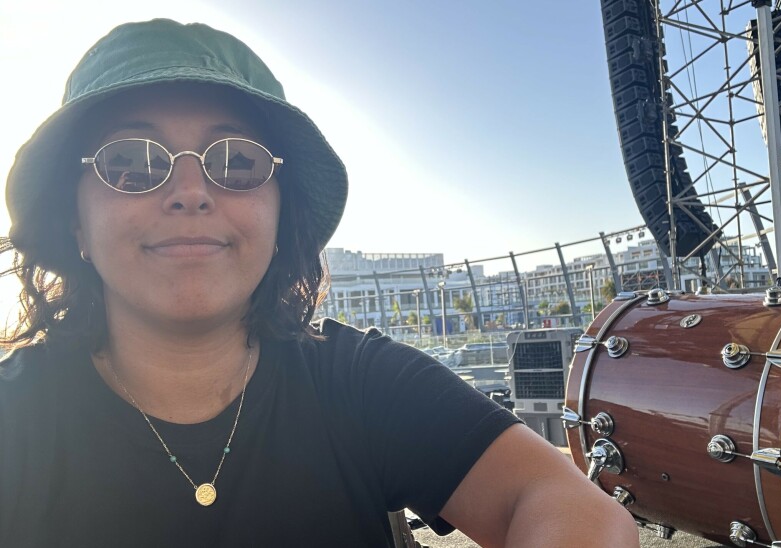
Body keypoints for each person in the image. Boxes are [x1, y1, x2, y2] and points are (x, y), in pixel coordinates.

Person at [0, 19, 638, 547]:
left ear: (281, 217)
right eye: (131, 163)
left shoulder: (359, 382)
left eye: (238, 163)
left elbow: (566, 504)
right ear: (75, 220)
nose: (190, 192)